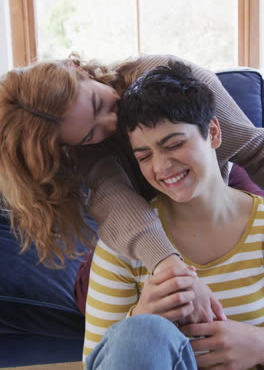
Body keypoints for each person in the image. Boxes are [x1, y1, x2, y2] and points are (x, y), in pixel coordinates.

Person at [0, 54, 263, 323]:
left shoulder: (171, 76)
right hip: (142, 216)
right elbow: (114, 200)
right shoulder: (85, 152)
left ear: (77, 69)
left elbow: (256, 150)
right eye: (90, 134)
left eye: (97, 103)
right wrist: (169, 269)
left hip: (209, 182)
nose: (112, 124)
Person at [83, 61, 264, 370]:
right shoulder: (124, 245)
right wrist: (140, 319)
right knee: (142, 333)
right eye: (145, 156)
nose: (162, 167)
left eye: (176, 144)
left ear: (214, 132)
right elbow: (94, 362)